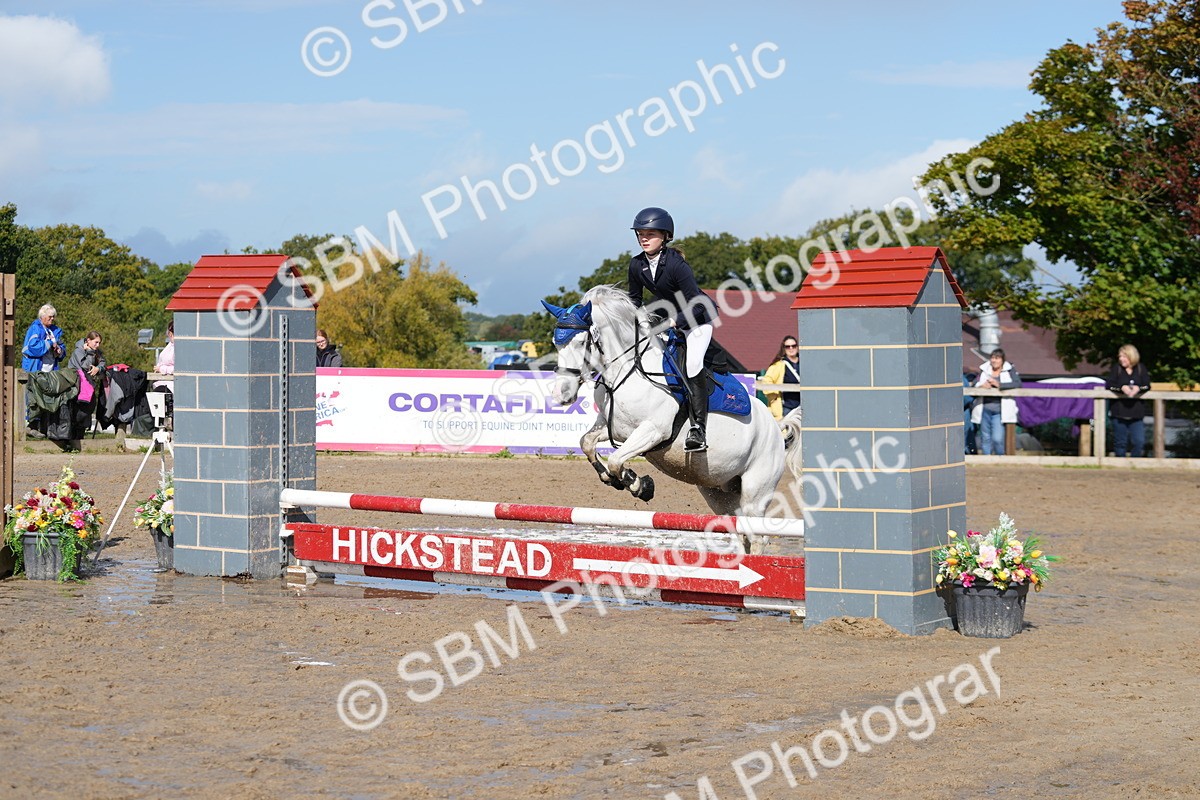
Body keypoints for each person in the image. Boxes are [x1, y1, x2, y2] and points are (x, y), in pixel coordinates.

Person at [625, 206, 719, 452]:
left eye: (650, 233)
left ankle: (698, 429)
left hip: (698, 319)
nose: (644, 238)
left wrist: (674, 321)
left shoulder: (677, 265)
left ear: (665, 235)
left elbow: (696, 303)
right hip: (669, 317)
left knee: (692, 366)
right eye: (640, 234)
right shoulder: (636, 265)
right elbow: (634, 301)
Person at [21, 304, 66, 434]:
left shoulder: (55, 331)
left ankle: (46, 428)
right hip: (35, 368)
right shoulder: (35, 329)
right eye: (50, 317)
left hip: (51, 370)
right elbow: (33, 348)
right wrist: (49, 343)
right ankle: (32, 426)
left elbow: (63, 349)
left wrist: (59, 351)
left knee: (49, 398)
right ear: (42, 316)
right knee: (34, 397)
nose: (52, 319)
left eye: (53, 317)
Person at [970, 348, 1021, 455]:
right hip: (984, 409)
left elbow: (1017, 384)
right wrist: (982, 386)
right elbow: (974, 384)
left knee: (997, 439)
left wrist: (1000, 385)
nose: (994, 361)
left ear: (1002, 360)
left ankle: (999, 458)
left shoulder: (1009, 370)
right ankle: (986, 460)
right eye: (992, 358)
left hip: (999, 411)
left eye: (997, 358)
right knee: (985, 438)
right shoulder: (984, 370)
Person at [1106, 343, 1151, 457]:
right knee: (1120, 442)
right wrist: (1121, 388)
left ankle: (1134, 463)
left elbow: (1147, 385)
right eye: (1120, 356)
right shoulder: (1117, 369)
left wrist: (1138, 389)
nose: (1121, 359)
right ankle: (1120, 465)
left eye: (1124, 356)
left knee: (1138, 441)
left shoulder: (1141, 368)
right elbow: (1109, 385)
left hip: (1136, 413)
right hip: (1119, 412)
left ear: (1131, 356)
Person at [68, 331, 106, 437]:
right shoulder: (78, 351)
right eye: (96, 342)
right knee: (79, 409)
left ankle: (80, 435)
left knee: (88, 407)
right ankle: (73, 437)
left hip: (88, 384)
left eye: (99, 343)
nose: (98, 345)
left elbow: (103, 362)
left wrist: (98, 368)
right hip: (76, 384)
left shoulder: (96, 351)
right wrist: (89, 353)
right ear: (88, 341)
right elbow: (85, 365)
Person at [763, 335, 800, 422]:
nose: (791, 348)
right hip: (786, 407)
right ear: (784, 348)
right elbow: (767, 381)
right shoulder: (778, 365)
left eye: (793, 346)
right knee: (788, 434)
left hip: (803, 407)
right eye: (787, 346)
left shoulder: (805, 362)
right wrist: (775, 394)